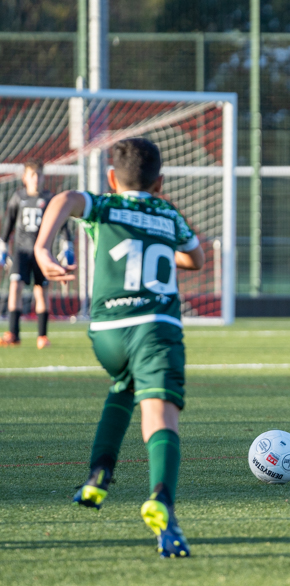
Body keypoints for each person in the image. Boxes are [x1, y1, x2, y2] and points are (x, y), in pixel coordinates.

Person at [34, 138, 204, 558]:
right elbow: (195, 259)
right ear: (160, 182)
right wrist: (163, 245)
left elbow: (67, 197)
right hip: (155, 329)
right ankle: (162, 501)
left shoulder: (105, 206)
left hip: (106, 330)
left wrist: (42, 248)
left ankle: (98, 476)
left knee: (123, 387)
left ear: (112, 178)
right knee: (159, 410)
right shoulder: (168, 213)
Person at [0, 160, 73, 348]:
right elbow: (8, 222)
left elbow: (63, 221)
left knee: (41, 291)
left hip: (42, 252)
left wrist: (67, 243)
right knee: (15, 287)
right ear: (25, 177)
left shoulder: (50, 198)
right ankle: (13, 334)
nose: (36, 179)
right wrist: (3, 245)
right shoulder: (18, 197)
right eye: (32, 175)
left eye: (39, 174)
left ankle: (42, 336)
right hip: (21, 251)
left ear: (43, 177)